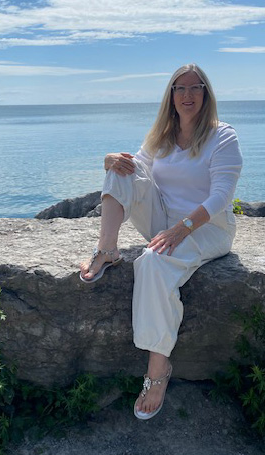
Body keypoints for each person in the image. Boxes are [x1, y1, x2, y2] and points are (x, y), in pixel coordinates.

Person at [79, 63, 242, 420]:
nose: (187, 95)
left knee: (151, 262)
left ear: (206, 94)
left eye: (195, 88)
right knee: (122, 165)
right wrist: (109, 160)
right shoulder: (162, 135)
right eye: (179, 88)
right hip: (166, 219)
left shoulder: (222, 136)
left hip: (207, 227)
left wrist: (183, 228)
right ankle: (106, 249)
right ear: (170, 95)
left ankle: (158, 371)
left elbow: (221, 196)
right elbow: (136, 169)